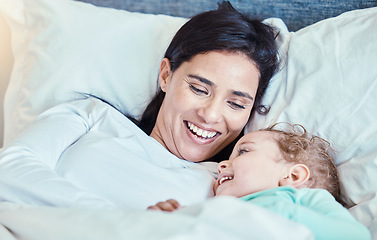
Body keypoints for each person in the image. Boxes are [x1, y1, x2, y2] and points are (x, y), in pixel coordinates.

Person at [0, 2, 279, 209]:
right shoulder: (91, 116)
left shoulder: (228, 184)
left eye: (236, 103)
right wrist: (127, 222)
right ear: (166, 76)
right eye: (198, 88)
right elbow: (8, 170)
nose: (210, 114)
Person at [147, 124, 371, 240]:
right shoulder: (217, 209)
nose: (222, 165)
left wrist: (274, 210)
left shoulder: (302, 199)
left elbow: (354, 236)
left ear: (292, 177)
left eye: (243, 152)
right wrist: (171, 218)